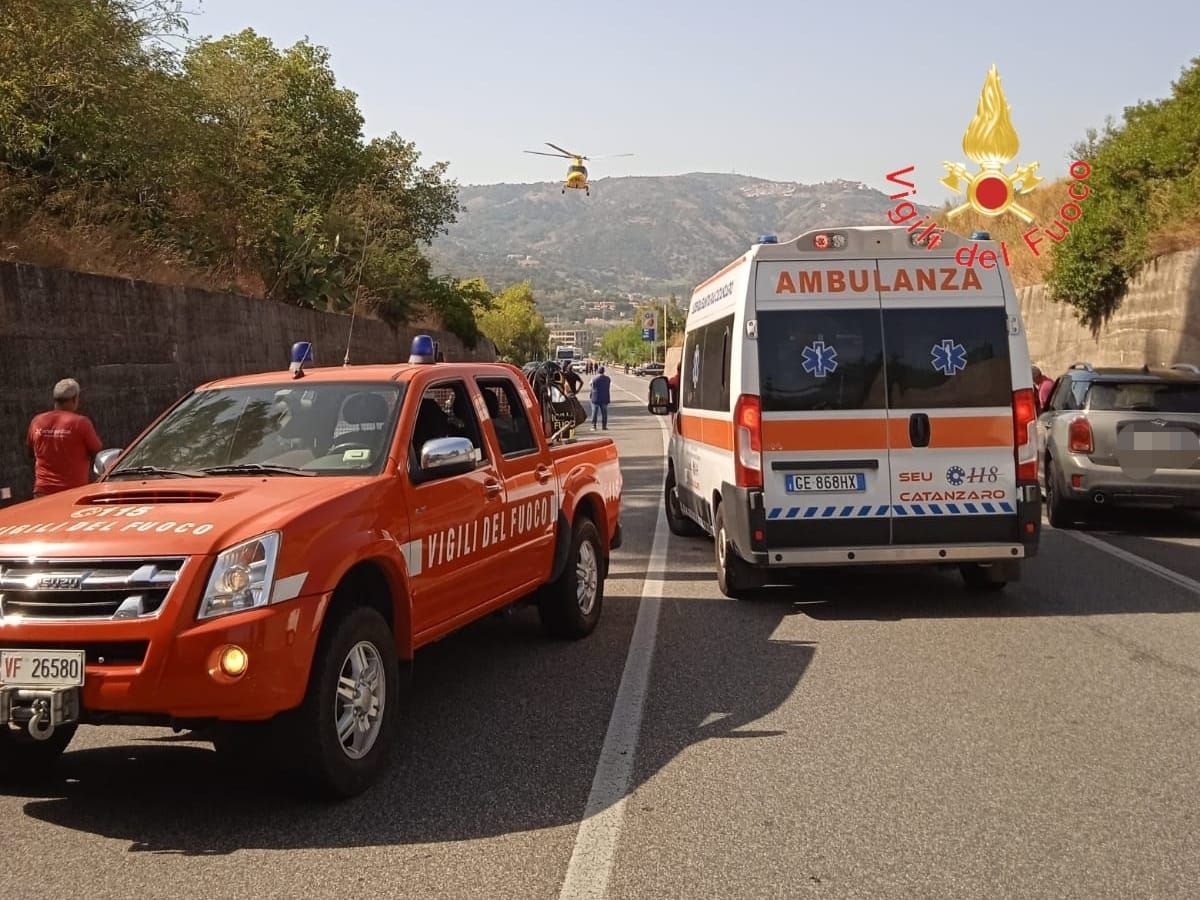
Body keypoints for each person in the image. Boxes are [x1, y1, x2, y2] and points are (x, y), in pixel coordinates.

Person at [27, 378, 103, 497]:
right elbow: (96, 450)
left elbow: (31, 452)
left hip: (42, 492)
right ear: (75, 399)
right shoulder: (80, 423)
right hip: (73, 493)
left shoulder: (37, 421)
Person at [590, 366, 612, 430]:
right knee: (604, 413)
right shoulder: (608, 379)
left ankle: (593, 426)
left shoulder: (594, 378)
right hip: (605, 397)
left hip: (595, 398)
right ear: (604, 371)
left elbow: (591, 384)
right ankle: (604, 426)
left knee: (594, 412)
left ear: (598, 371)